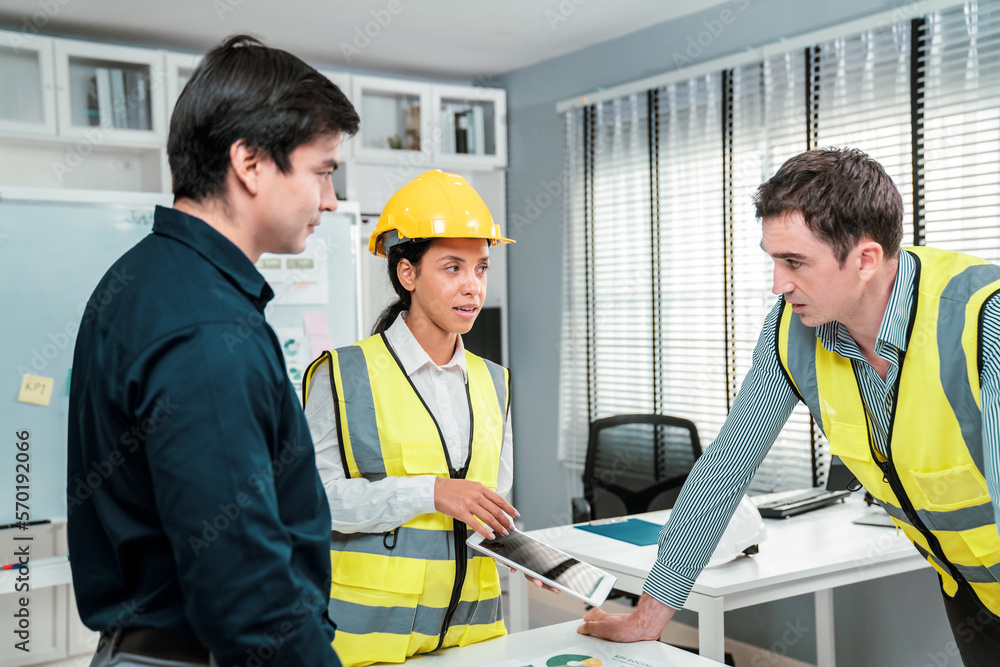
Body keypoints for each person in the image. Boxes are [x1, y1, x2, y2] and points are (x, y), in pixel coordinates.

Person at [577, 148, 1000, 666]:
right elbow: (724, 470)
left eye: (795, 262)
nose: (778, 284)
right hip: (971, 591)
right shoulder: (793, 330)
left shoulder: (984, 323)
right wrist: (649, 616)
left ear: (866, 259)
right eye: (773, 260)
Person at [66, 35, 358, 667]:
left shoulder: (148, 280)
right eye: (323, 170)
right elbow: (248, 598)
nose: (331, 201)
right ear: (250, 162)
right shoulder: (203, 328)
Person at [303, 170, 520, 666]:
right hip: (369, 643)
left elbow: (490, 502)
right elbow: (313, 504)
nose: (473, 287)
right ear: (408, 274)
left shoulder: (495, 382)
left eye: (481, 268)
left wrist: (521, 550)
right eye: (452, 267)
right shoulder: (342, 376)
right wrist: (430, 491)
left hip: (473, 638)